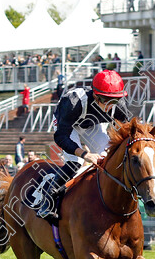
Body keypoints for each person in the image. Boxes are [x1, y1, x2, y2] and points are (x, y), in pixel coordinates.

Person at [36, 70, 130, 222]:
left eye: (113, 101)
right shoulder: (73, 101)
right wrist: (85, 154)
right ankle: (49, 199)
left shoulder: (119, 104)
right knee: (75, 163)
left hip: (92, 126)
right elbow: (61, 137)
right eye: (104, 100)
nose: (108, 105)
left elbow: (126, 133)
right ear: (94, 95)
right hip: (67, 126)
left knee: (109, 157)